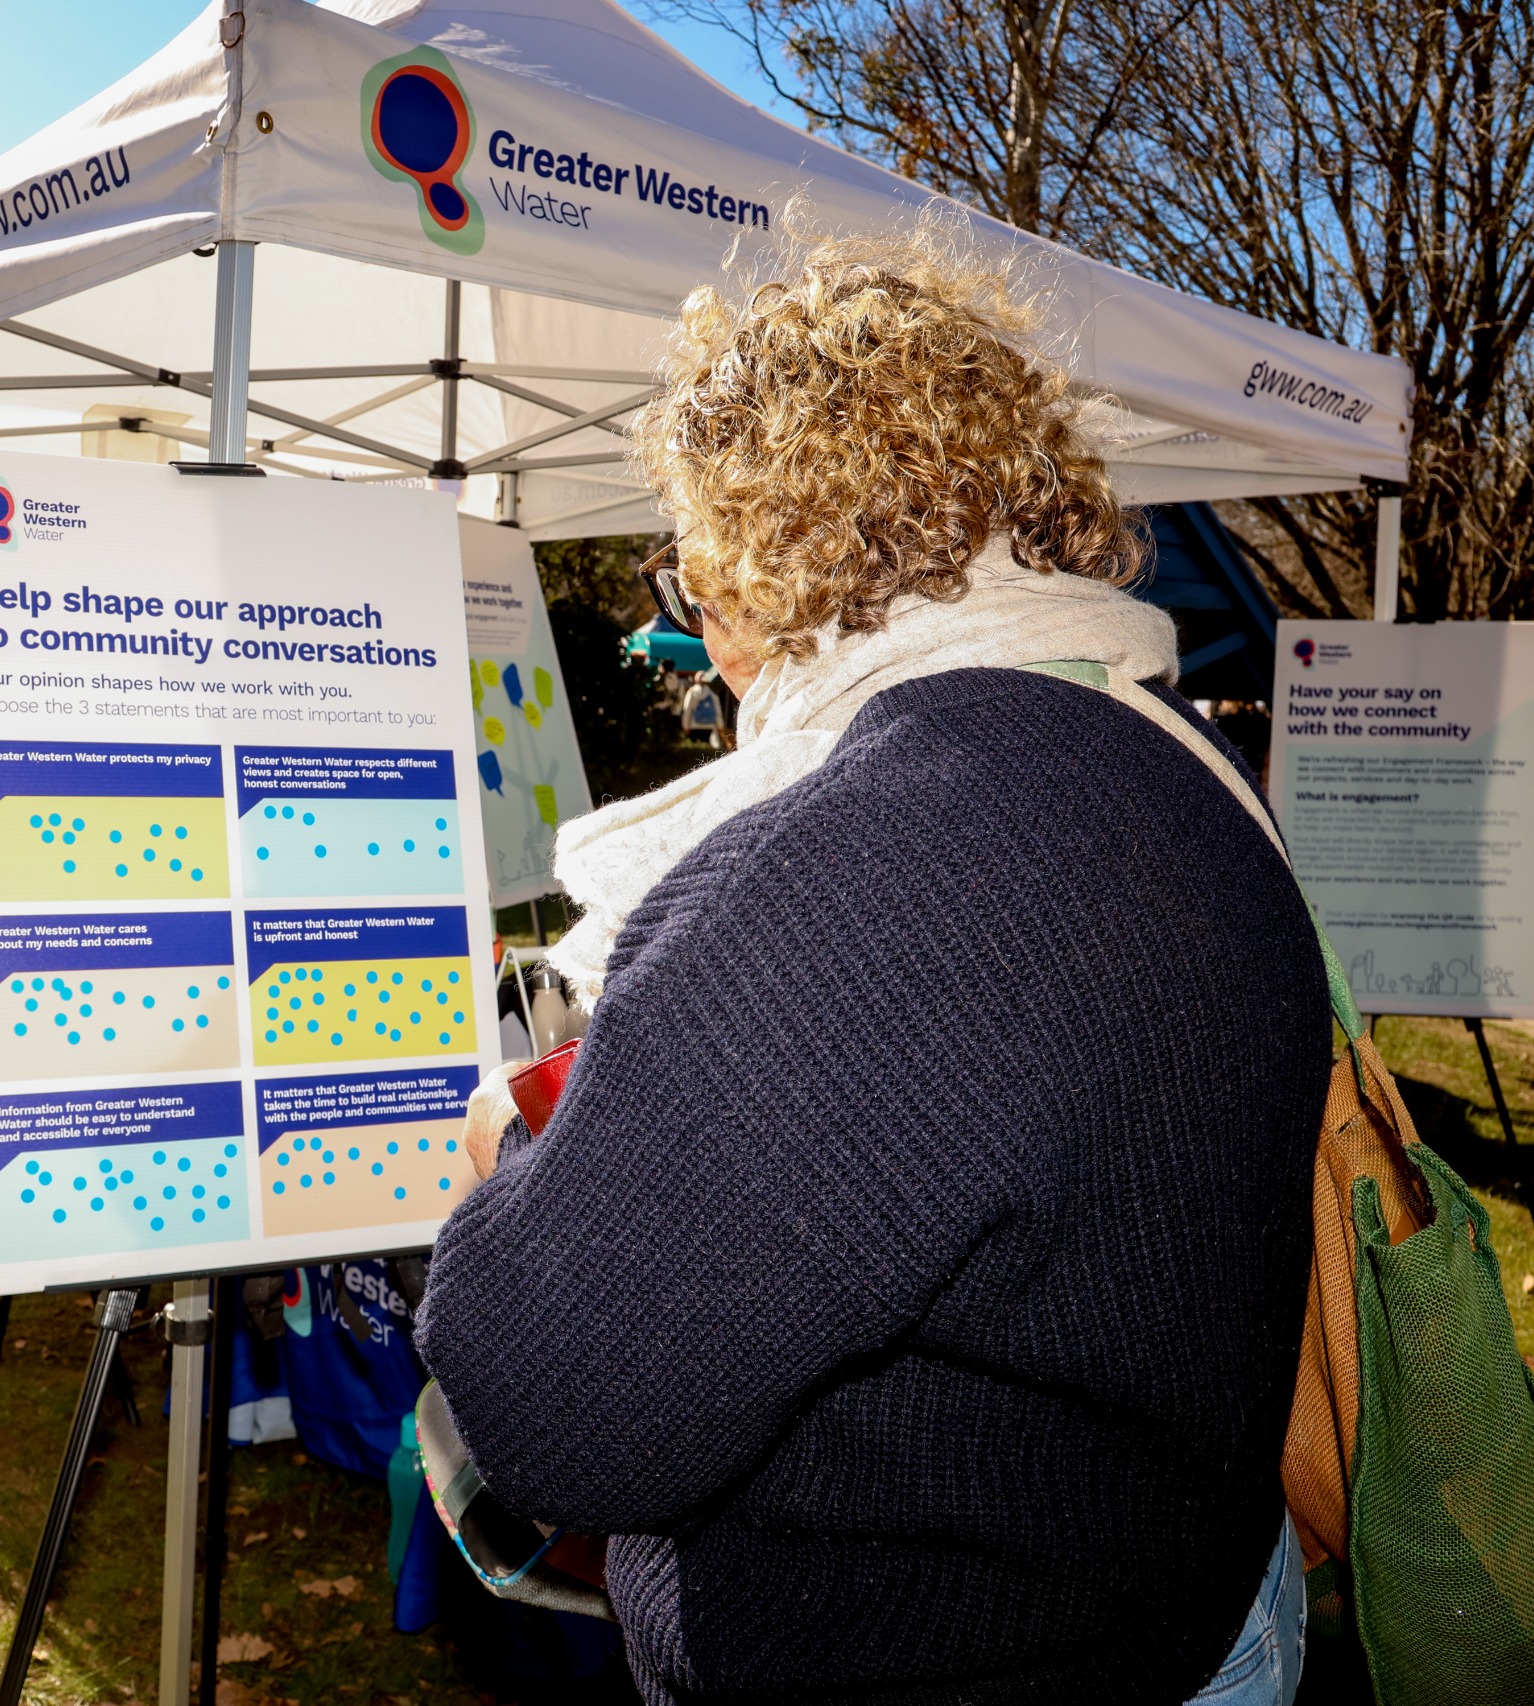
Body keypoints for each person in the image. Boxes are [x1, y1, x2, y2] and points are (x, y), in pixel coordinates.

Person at [416, 236, 1330, 1705]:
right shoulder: (1162, 746)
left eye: (685, 567)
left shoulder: (867, 861)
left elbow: (554, 1407)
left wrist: (507, 1170)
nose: (697, 623)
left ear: (750, 553)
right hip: (1192, 1606)